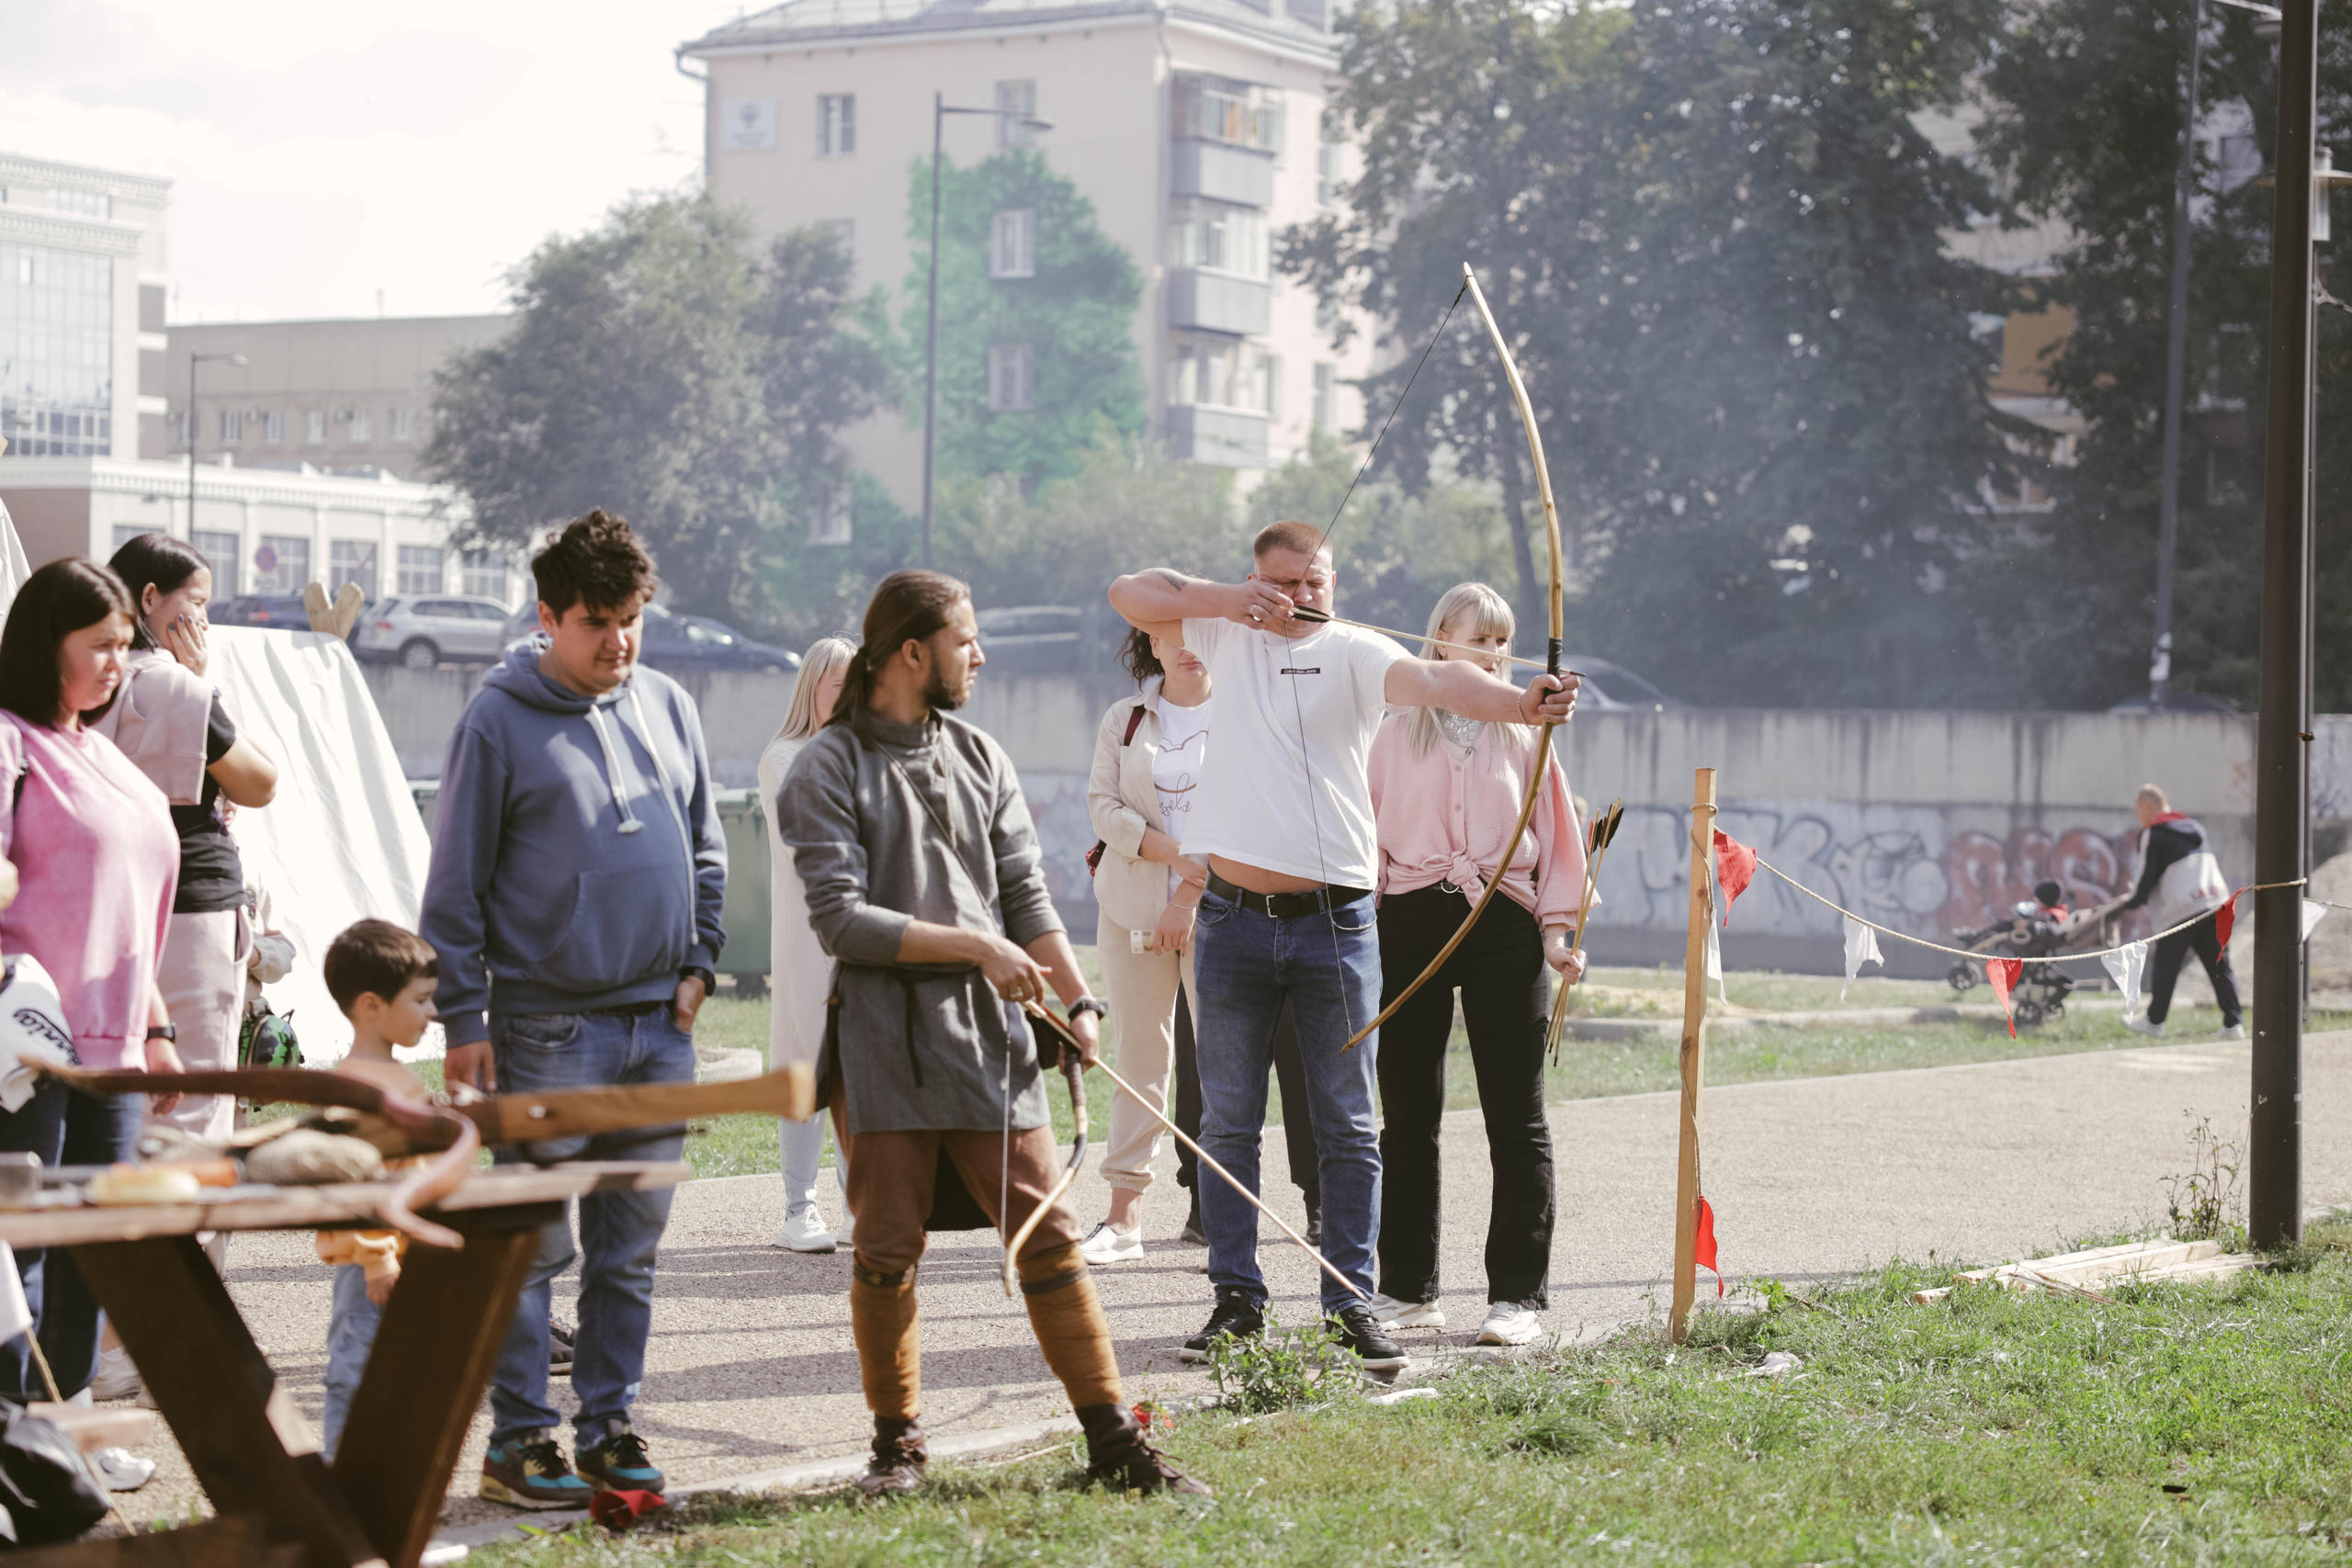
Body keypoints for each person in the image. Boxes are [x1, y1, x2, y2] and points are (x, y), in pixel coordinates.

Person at [1108, 523, 1578, 1371]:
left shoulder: (1358, 652)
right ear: (1258, 579)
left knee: (1352, 1127)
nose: (1304, 596)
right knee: (1227, 1122)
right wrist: (1231, 601)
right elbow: (1131, 592)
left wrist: (1523, 701)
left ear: (1335, 580)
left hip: (1338, 923)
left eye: (1316, 580)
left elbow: (1440, 680)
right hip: (1230, 918)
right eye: (1286, 581)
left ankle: (1351, 1303)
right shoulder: (1220, 631)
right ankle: (1236, 1302)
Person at [777, 570, 1204, 1498]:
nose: (981, 654)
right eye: (966, 639)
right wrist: (976, 949)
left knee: (1046, 1237)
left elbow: (1025, 895)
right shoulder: (825, 767)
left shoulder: (979, 756)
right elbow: (841, 921)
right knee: (886, 1248)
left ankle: (1113, 1448)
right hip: (882, 1042)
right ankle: (896, 1450)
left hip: (989, 1040)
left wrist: (1077, 999)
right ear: (911, 653)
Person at [420, 511, 727, 1507]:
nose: (619, 640)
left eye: (632, 617)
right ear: (547, 617)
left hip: (660, 1028)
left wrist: (702, 962)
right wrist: (464, 1022)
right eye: (597, 620)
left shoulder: (671, 704)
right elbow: (454, 889)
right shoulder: (494, 720)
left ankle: (608, 1429)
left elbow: (707, 844)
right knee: (534, 1247)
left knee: (629, 1251)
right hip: (545, 1030)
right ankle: (519, 1442)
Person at [1363, 582, 1587, 1348]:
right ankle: (1406, 1288)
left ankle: (1518, 1296)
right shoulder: (1394, 730)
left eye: (1502, 641)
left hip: (1503, 923)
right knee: (1407, 1115)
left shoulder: (1531, 733)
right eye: (1477, 639)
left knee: (1514, 1115)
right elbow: (1366, 836)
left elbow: (1559, 838)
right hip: (1411, 918)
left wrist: (1558, 933)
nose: (1492, 654)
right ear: (1438, 642)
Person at [0, 559, 185, 1404]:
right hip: (26, 1052)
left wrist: (158, 1032)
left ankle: (60, 1447)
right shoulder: (10, 739)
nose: (116, 662)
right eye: (98, 645)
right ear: (47, 646)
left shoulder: (98, 751)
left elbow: (129, 911)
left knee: (96, 1256)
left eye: (123, 645)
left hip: (114, 1050)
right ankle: (15, 1450)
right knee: (20, 1257)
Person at [93, 534, 279, 1147]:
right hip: (193, 903)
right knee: (197, 1100)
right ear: (150, 598)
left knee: (120, 1097)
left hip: (105, 902)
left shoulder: (93, 680)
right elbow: (259, 781)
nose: (204, 619)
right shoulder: (178, 687)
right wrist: (199, 680)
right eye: (196, 602)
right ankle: (191, 1243)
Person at [1079, 625, 1212, 1263]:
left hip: (1224, 912)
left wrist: (1189, 892)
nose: (1186, 644)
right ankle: (1123, 1217)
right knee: (1139, 1059)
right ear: (1149, 644)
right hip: (1129, 904)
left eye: (1199, 631)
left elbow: (1252, 810)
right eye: (1169, 633)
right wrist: (1174, 855)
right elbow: (1102, 805)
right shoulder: (1124, 718)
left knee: (1225, 1063)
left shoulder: (1247, 714)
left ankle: (1225, 1214)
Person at [314, 919, 440, 1461]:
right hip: (376, 1260)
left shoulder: (397, 1078)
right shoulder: (356, 1088)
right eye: (421, 1001)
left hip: (412, 1252)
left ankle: (386, 1474)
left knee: (406, 1374)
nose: (432, 1014)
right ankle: (343, 1475)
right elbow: (353, 1185)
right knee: (356, 1368)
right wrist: (374, 1257)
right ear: (371, 1005)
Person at [759, 635, 856, 1253]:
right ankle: (800, 1209)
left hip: (865, 934)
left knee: (861, 1071)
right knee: (807, 1060)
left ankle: (861, 1207)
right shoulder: (785, 756)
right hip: (809, 934)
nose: (846, 694)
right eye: (835, 682)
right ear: (812, 687)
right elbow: (812, 843)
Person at [2109, 783, 2243, 1040]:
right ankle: (2233, 1024)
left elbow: (2147, 875)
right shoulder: (2195, 827)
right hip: (2215, 902)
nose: (2140, 818)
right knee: (2219, 965)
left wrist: (2131, 901)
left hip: (2182, 908)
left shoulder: (2154, 833)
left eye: (2139, 812)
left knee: (2165, 966)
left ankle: (2154, 1022)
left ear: (2149, 807)